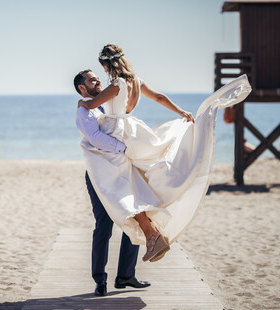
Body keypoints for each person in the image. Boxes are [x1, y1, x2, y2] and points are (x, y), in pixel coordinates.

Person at [77, 44, 251, 263]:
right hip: (134, 129)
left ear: (106, 64)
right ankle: (152, 235)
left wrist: (81, 101)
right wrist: (180, 111)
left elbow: (92, 104)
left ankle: (151, 236)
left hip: (119, 133)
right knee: (139, 180)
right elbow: (159, 97)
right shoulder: (136, 81)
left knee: (121, 188)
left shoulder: (115, 84)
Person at [74, 69, 150, 297]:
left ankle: (126, 275)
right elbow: (95, 138)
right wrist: (125, 148)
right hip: (99, 175)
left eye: (97, 77)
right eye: (91, 79)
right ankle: (100, 280)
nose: (97, 80)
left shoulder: (105, 106)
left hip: (121, 171)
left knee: (132, 216)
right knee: (104, 226)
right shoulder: (83, 109)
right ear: (82, 88)